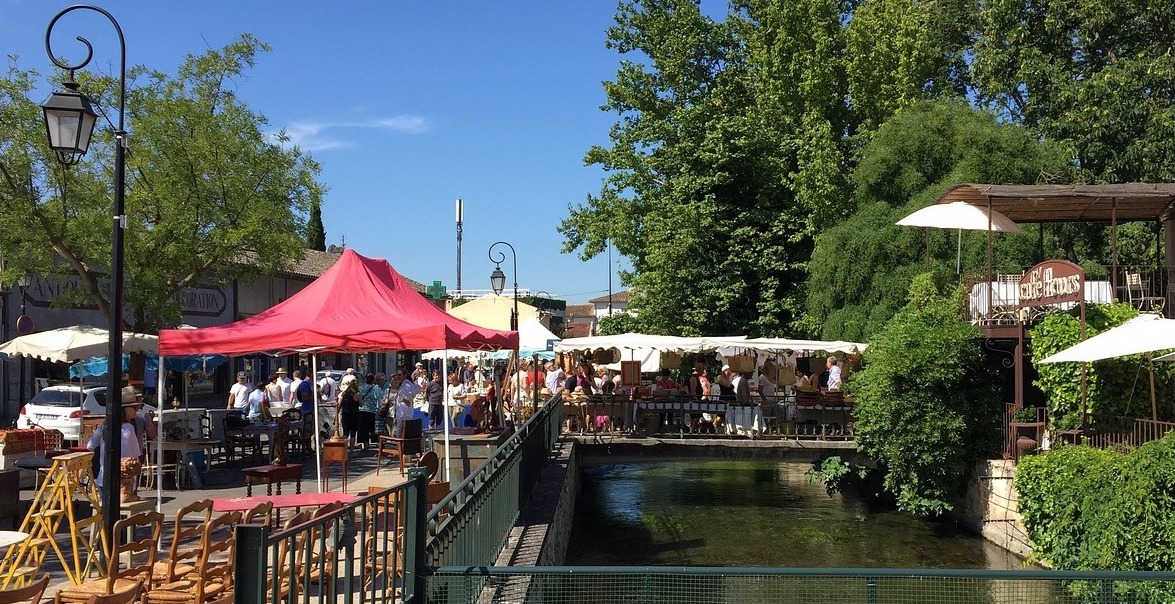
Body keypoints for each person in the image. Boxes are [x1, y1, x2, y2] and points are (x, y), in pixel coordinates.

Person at [88, 387, 145, 503]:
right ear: (125, 409)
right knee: (122, 518)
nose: (136, 410)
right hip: (124, 481)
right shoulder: (128, 429)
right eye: (134, 407)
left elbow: (90, 446)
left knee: (105, 514)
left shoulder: (104, 426)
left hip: (103, 478)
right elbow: (134, 455)